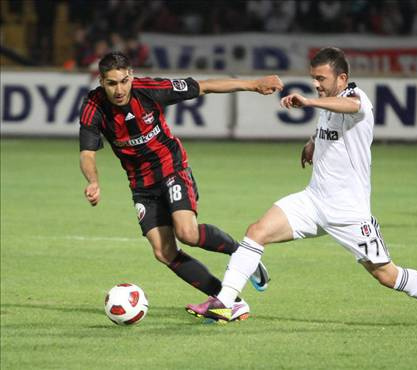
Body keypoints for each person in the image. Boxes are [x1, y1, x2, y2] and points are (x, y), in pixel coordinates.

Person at [186, 47, 417, 326]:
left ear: (341, 78)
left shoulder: (357, 98)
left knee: (387, 275)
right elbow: (330, 122)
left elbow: (350, 106)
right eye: (313, 78)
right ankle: (226, 302)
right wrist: (313, 142)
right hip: (313, 201)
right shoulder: (329, 101)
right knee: (256, 231)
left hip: (348, 212)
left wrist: (310, 102)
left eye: (321, 79)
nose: (316, 84)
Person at [79, 52, 282, 321]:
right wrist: (93, 181)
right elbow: (87, 153)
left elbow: (205, 86)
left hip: (171, 168)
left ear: (132, 76)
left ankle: (242, 254)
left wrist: (254, 85)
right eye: (112, 83)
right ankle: (227, 301)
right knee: (163, 252)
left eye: (124, 81)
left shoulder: (151, 90)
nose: (119, 89)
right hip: (141, 185)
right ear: (101, 82)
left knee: (187, 233)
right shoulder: (94, 105)